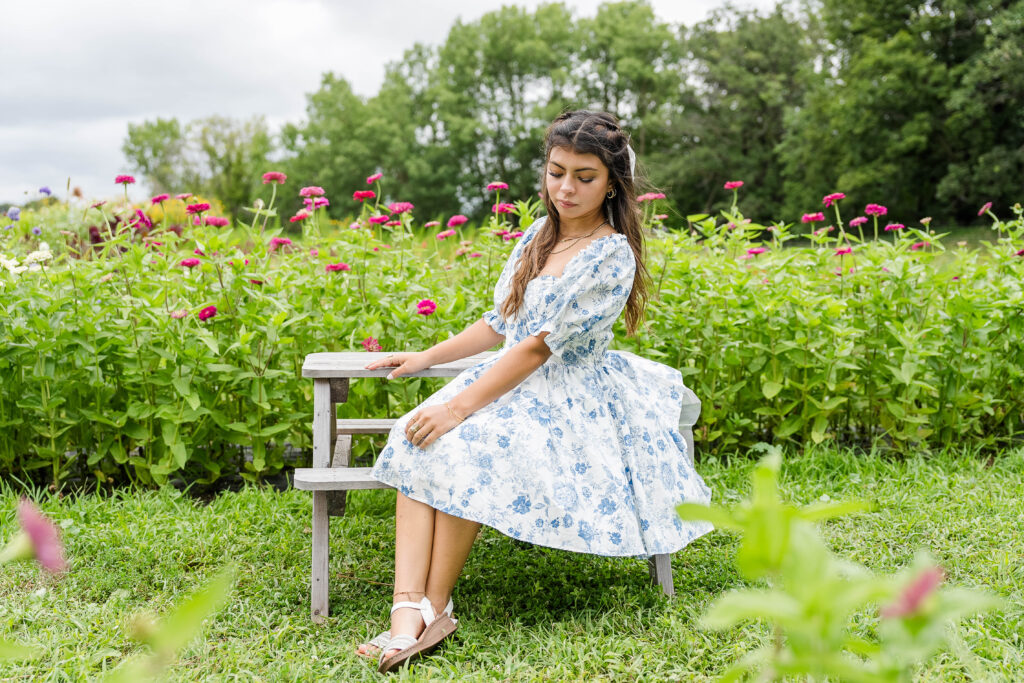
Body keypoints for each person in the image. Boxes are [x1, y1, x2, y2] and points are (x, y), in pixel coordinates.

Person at [359, 110, 713, 673]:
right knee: (416, 434)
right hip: (507, 381)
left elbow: (536, 348)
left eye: (585, 176)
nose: (566, 188)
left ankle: (436, 603)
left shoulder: (610, 253)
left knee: (463, 445)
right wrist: (428, 358)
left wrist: (457, 406)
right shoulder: (538, 236)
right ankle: (407, 612)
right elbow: (500, 325)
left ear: (613, 183)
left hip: (569, 394)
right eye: (556, 172)